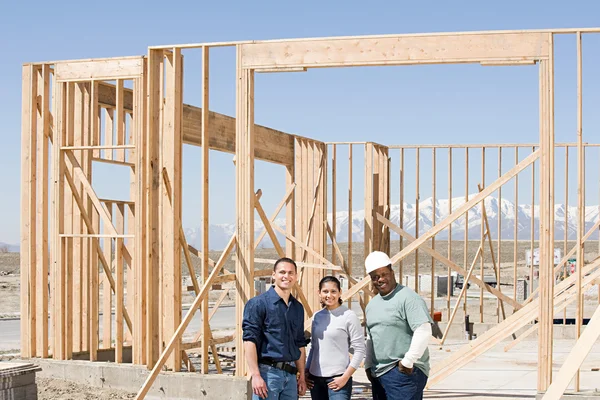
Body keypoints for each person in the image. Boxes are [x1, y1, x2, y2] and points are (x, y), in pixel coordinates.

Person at [363, 251, 433, 400]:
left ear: (392, 272)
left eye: (384, 274)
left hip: (402, 373)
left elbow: (423, 330)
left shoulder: (408, 298)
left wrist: (407, 361)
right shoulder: (372, 305)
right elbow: (371, 337)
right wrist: (368, 364)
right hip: (379, 373)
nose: (380, 279)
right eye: (375, 277)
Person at [242, 257, 308, 399]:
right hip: (268, 374)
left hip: (290, 377)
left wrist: (302, 376)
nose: (286, 276)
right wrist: (256, 375)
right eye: (282, 272)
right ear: (274, 275)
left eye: (291, 273)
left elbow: (300, 344)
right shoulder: (258, 304)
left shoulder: (297, 308)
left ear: (296, 277)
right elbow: (249, 341)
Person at [305, 276, 365, 399]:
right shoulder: (317, 316)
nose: (329, 295)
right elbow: (314, 347)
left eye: (333, 291)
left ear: (340, 293)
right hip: (315, 380)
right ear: (319, 293)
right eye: (325, 291)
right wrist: (306, 372)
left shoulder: (349, 316)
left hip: (338, 379)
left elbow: (359, 349)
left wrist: (345, 377)